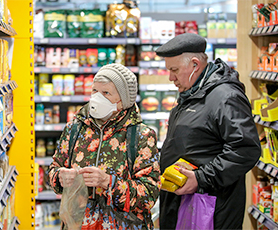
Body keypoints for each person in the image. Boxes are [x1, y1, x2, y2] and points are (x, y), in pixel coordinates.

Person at [155, 33, 261, 229]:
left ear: (195, 64)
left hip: (210, 208)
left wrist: (201, 178)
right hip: (186, 204)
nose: (171, 78)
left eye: (175, 70)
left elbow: (246, 150)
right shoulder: (193, 92)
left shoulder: (225, 97)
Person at [48, 63, 160, 229]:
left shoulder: (141, 136)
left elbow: (149, 194)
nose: (96, 98)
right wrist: (59, 177)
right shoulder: (74, 129)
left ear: (122, 100)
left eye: (106, 93)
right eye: (95, 91)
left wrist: (108, 182)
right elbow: (54, 170)